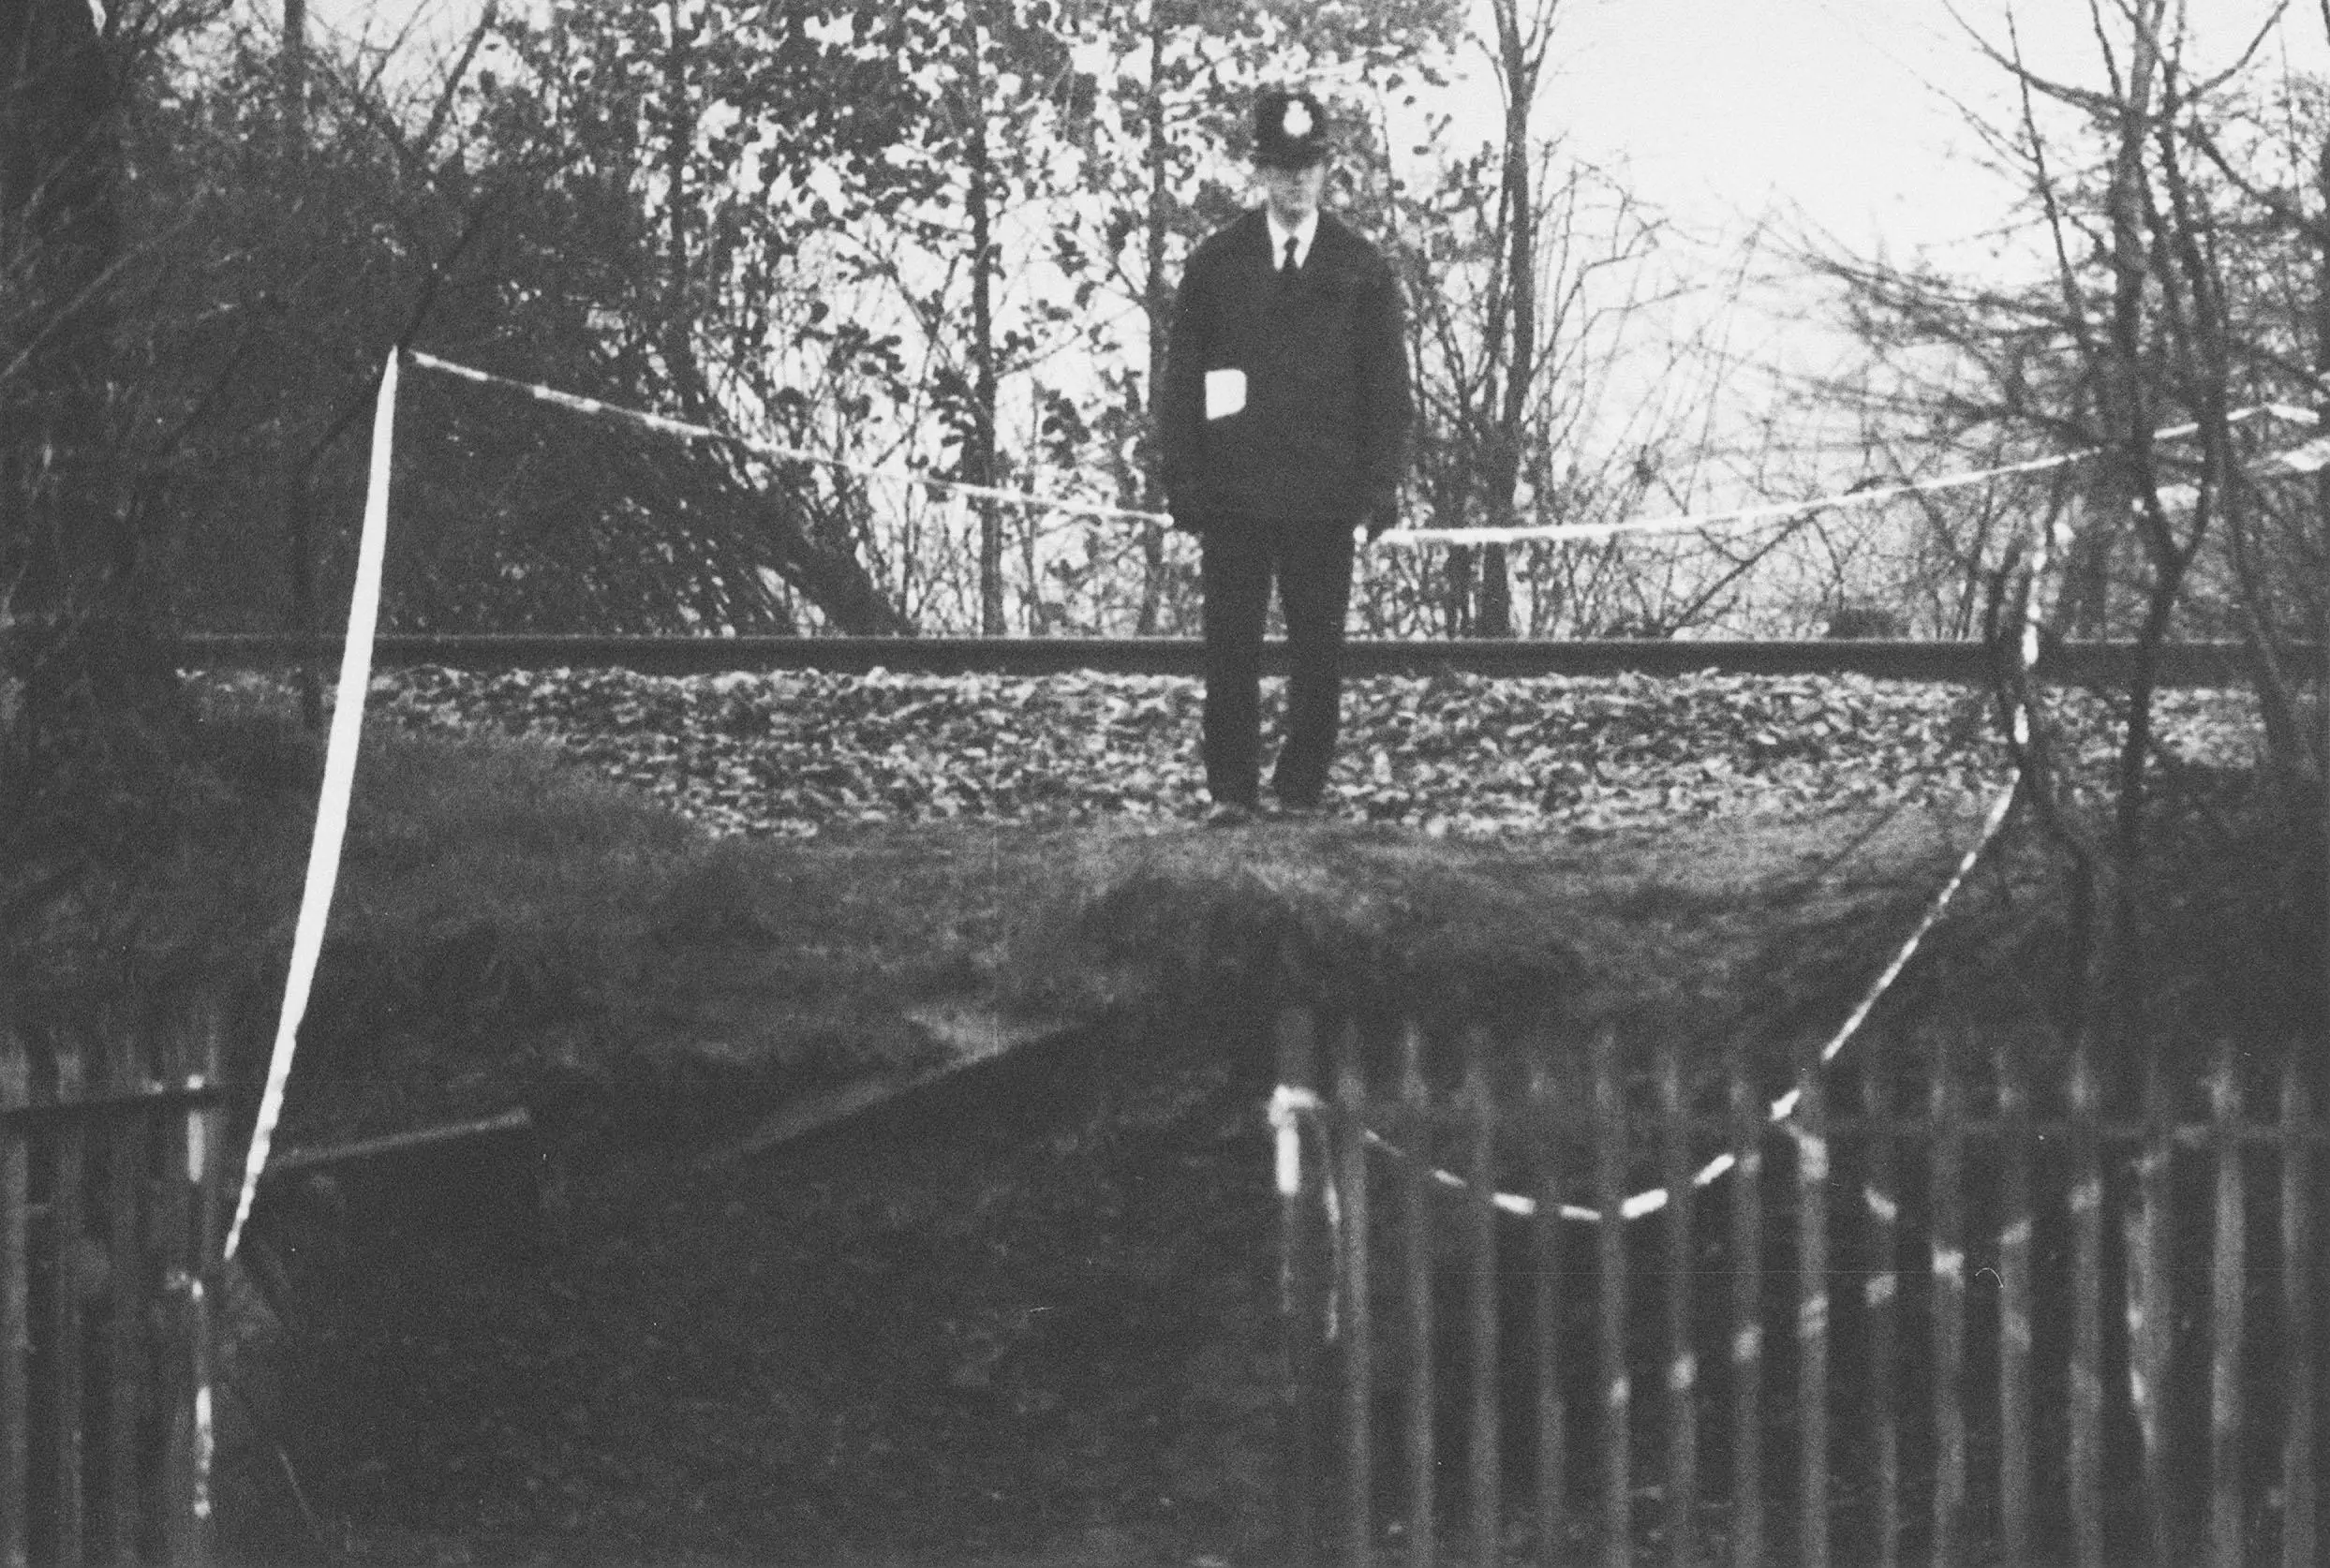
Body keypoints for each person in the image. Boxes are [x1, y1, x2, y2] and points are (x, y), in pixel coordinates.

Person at [1158, 85, 1413, 823]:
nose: (1294, 181)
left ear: (1326, 170)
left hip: (1323, 495)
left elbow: (1386, 386)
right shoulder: (1217, 263)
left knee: (1317, 650)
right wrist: (1183, 478)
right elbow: (1182, 380)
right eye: (1280, 167)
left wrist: (1382, 482)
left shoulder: (1360, 266)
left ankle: (1301, 787)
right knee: (1230, 647)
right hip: (1235, 492)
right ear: (1260, 171)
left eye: (1306, 167)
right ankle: (1231, 790)